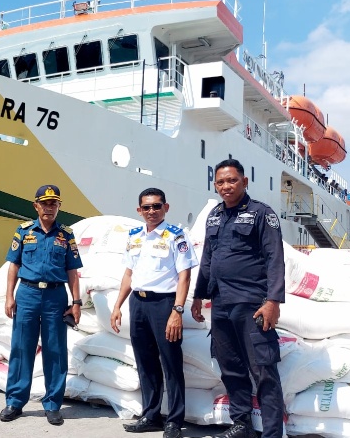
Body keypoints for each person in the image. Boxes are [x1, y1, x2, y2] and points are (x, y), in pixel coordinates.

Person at [191, 159, 285, 438]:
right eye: (220, 182)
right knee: (230, 367)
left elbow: (274, 258)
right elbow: (208, 259)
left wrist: (273, 301)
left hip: (252, 304)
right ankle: (242, 425)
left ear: (244, 182)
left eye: (231, 180)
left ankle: (271, 434)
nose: (226, 186)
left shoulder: (261, 214)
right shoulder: (215, 216)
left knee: (264, 371)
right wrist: (198, 296)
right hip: (220, 304)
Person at [111, 188, 199, 438]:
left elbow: (185, 276)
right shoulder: (134, 236)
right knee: (145, 361)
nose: (151, 211)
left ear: (166, 208)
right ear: (139, 210)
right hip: (138, 304)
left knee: (171, 362)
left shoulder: (176, 236)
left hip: (164, 305)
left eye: (156, 206)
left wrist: (177, 311)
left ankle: (174, 420)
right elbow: (129, 274)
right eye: (146, 207)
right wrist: (118, 306)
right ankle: (151, 415)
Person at [0, 185, 83, 426]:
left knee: (55, 351)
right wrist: (9, 296)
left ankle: (53, 404)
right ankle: (15, 401)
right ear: (36, 206)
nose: (49, 207)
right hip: (27, 294)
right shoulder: (24, 231)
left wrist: (76, 302)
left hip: (56, 297)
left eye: (53, 203)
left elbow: (72, 271)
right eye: (44, 203)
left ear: (59, 206)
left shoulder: (66, 235)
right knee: (21, 348)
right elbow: (13, 266)